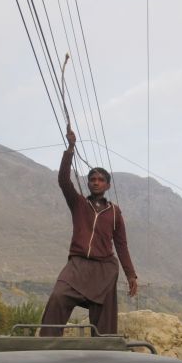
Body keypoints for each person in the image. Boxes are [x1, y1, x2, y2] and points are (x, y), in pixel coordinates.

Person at [40, 129, 137, 336]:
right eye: (92, 178)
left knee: (104, 322)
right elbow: (63, 181)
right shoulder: (79, 204)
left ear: (107, 185)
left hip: (104, 269)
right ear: (88, 183)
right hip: (77, 265)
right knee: (58, 297)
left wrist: (131, 275)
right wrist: (71, 148)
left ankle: (102, 357)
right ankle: (45, 347)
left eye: (101, 179)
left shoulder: (115, 212)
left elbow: (122, 245)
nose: (96, 181)